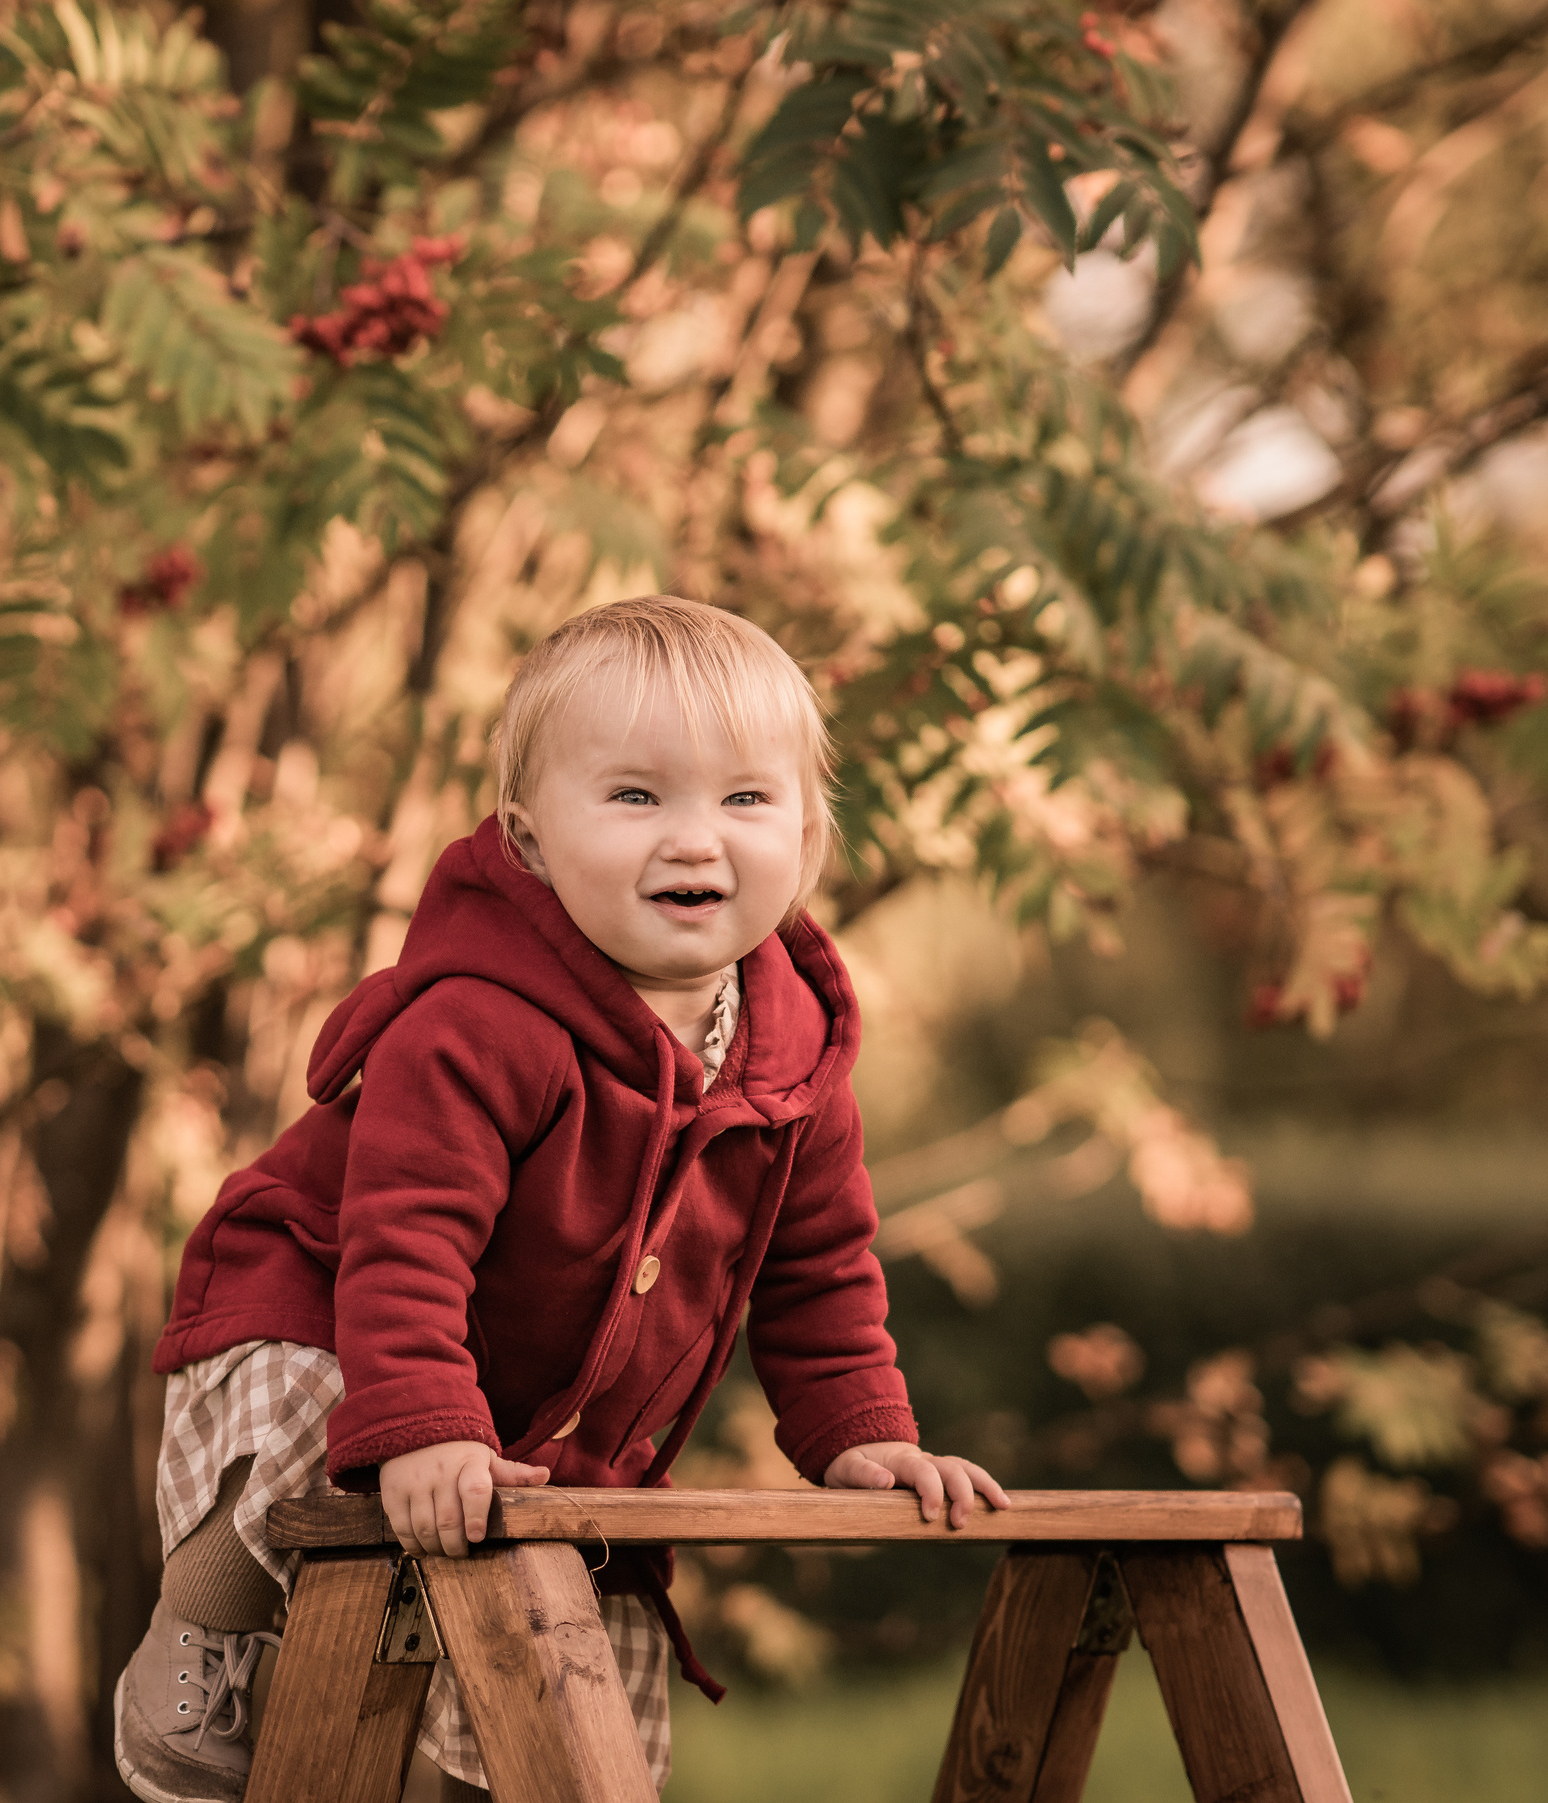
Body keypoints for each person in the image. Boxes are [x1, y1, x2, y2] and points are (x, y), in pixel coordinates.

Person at [114, 596, 1009, 1803]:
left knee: (592, 1646)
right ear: (528, 843)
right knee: (325, 1411)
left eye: (746, 799)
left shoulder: (794, 1062)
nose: (695, 839)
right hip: (315, 1312)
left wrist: (862, 1435)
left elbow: (822, 1270)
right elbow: (405, 1241)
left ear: (806, 836)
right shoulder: (476, 1024)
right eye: (636, 797)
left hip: (533, 1416)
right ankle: (207, 1615)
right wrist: (426, 1420)